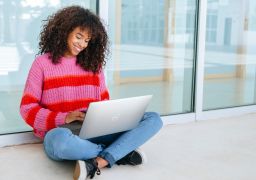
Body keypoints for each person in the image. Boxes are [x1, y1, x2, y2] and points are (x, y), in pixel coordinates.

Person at [20, 6, 163, 180]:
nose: (82, 44)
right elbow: (27, 109)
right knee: (60, 142)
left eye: (87, 40)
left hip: (95, 129)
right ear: (64, 31)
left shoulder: (94, 66)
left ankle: (97, 162)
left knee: (153, 119)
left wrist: (111, 116)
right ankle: (118, 153)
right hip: (62, 131)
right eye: (78, 36)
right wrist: (64, 118)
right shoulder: (42, 64)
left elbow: (104, 102)